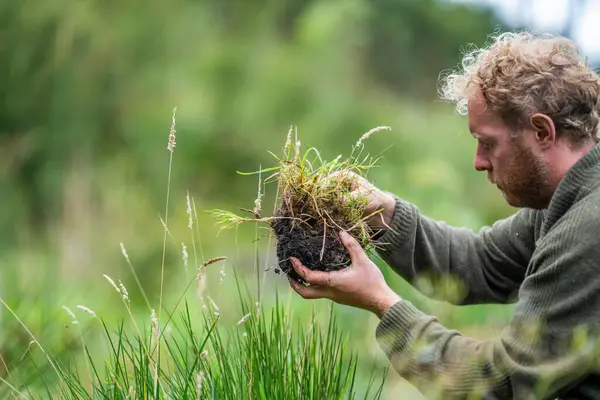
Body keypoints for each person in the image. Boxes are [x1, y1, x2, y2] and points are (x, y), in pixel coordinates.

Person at [287, 31, 600, 399]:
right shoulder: (566, 199)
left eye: (488, 143)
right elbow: (481, 264)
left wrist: (381, 303)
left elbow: (501, 384)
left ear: (542, 131)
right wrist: (385, 216)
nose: (478, 162)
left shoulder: (589, 228)